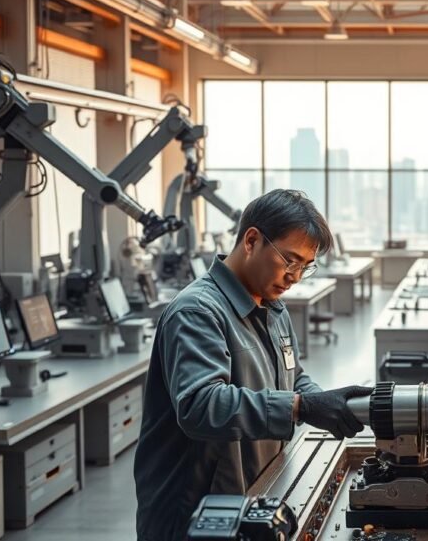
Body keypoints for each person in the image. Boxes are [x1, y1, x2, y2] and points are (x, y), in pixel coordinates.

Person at [134, 189, 372, 541]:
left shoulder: (273, 308)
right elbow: (201, 405)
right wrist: (302, 407)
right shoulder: (197, 312)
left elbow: (292, 378)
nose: (294, 276)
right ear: (251, 240)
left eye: (305, 267)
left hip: (250, 495)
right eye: (290, 260)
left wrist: (331, 404)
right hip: (192, 513)